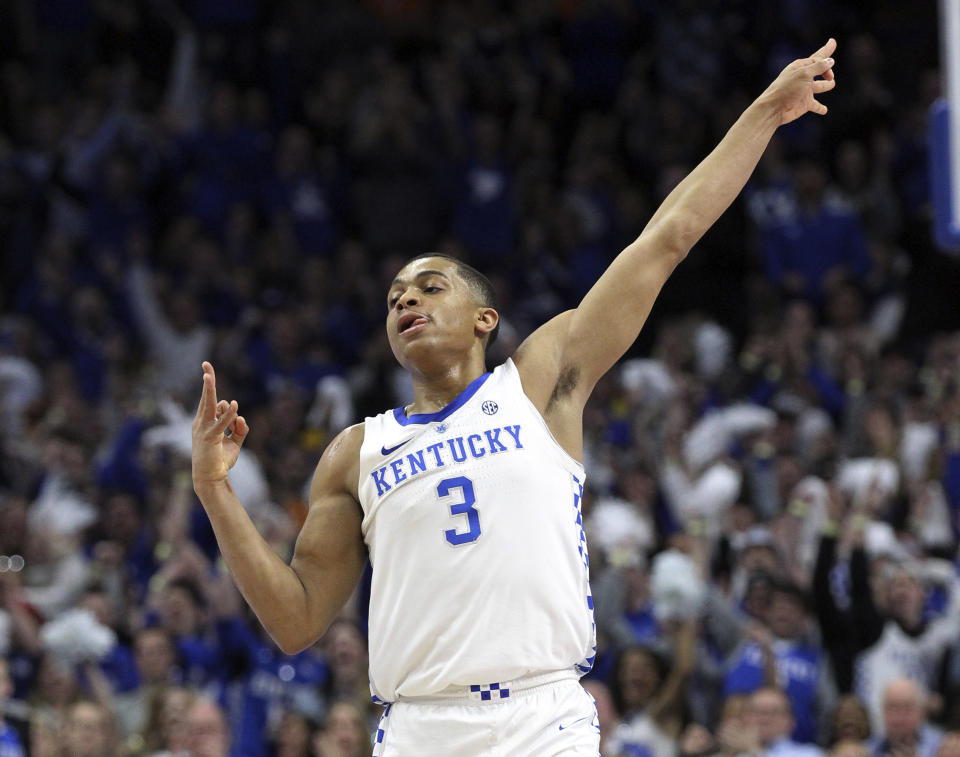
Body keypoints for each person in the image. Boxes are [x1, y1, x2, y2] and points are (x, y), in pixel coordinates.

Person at [191, 39, 839, 756]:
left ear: (485, 319)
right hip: (418, 726)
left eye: (431, 287)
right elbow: (296, 620)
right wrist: (215, 493)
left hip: (542, 715)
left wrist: (764, 114)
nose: (408, 298)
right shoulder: (356, 451)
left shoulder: (539, 380)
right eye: (396, 296)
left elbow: (666, 240)